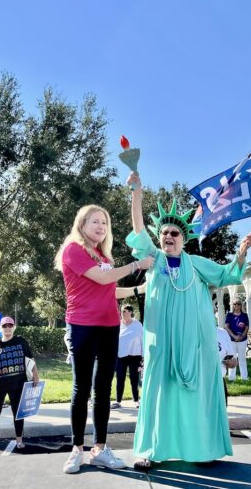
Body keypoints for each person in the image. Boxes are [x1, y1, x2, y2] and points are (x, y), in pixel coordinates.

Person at [125, 171, 251, 468]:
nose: (168, 237)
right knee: (159, 395)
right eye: (165, 233)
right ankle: (150, 450)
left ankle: (201, 450)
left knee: (194, 397)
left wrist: (243, 250)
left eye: (174, 234)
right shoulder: (153, 260)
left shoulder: (196, 264)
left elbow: (228, 274)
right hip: (161, 346)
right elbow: (139, 232)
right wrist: (136, 195)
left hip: (196, 346)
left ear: (184, 239)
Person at [55, 203, 154, 474]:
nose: (100, 227)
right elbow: (102, 278)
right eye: (95, 221)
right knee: (82, 388)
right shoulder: (73, 250)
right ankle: (77, 449)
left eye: (104, 223)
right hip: (82, 326)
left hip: (109, 327)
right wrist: (137, 265)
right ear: (82, 225)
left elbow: (109, 289)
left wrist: (139, 288)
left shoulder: (102, 255)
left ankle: (99, 448)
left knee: (102, 390)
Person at [0, 316, 39, 451]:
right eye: (5, 326)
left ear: (13, 327)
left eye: (10, 325)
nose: (7, 328)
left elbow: (30, 359)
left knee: (18, 413)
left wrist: (35, 375)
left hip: (18, 384)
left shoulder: (21, 341)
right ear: (0, 328)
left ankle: (19, 440)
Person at [111, 305, 143, 409]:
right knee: (120, 378)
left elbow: (143, 340)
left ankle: (136, 401)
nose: (122, 313)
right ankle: (118, 401)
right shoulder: (118, 325)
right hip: (121, 356)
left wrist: (143, 357)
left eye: (124, 311)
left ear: (130, 312)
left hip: (135, 355)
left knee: (134, 379)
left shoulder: (137, 325)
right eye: (121, 311)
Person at [225, 300, 249, 381]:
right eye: (235, 304)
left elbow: (246, 327)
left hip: (242, 340)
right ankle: (231, 378)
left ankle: (244, 378)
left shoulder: (244, 315)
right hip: (232, 339)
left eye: (238, 304)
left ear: (241, 306)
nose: (237, 305)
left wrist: (242, 335)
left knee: (242, 358)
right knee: (232, 358)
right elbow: (227, 326)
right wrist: (234, 336)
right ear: (233, 306)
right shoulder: (229, 315)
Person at [216, 323, 237, 406]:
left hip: (219, 380)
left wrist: (232, 362)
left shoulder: (222, 333)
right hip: (201, 382)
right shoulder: (195, 332)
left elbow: (233, 359)